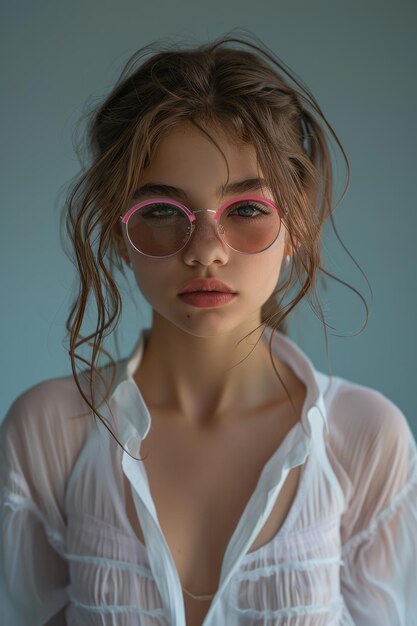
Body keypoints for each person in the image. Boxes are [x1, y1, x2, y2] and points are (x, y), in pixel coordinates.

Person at [1, 32, 416, 626]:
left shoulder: (367, 441)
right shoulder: (47, 434)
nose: (205, 253)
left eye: (246, 209)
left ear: (295, 221)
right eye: (163, 212)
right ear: (119, 231)